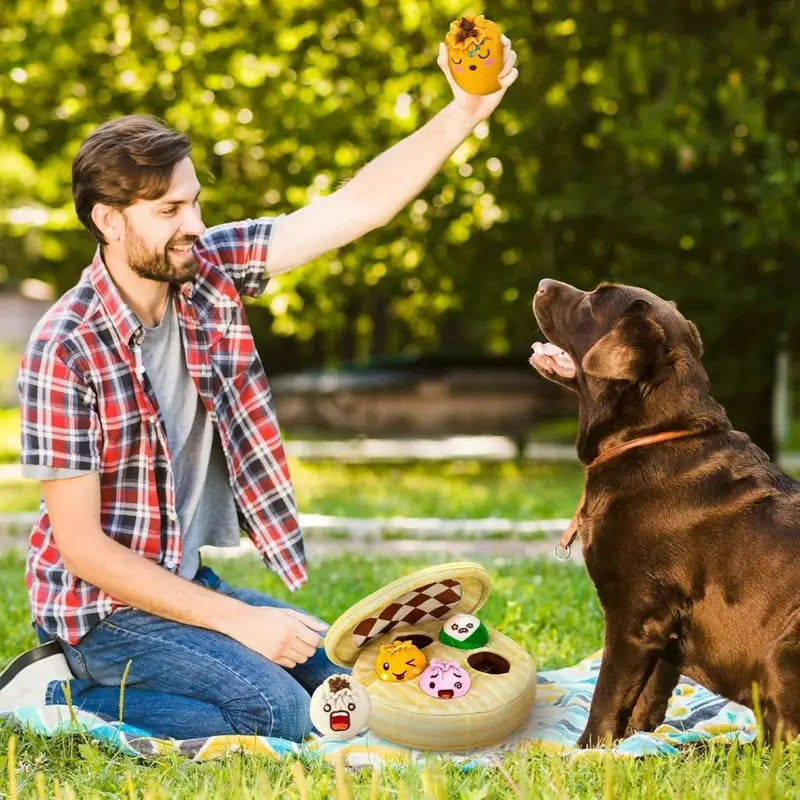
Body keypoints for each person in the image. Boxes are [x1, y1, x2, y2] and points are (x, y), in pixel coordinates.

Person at [0, 39, 518, 741]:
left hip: (183, 585)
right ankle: (55, 698)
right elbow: (85, 551)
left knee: (338, 682)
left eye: (195, 203)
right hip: (101, 614)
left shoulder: (205, 268)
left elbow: (355, 208)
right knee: (273, 712)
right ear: (108, 220)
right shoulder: (66, 347)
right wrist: (241, 621)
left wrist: (464, 112)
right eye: (169, 211)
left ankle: (180, 664)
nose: (193, 226)